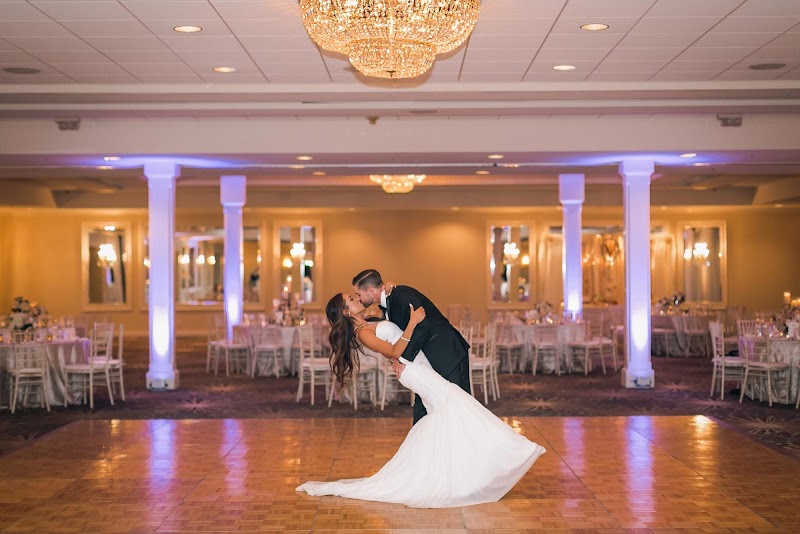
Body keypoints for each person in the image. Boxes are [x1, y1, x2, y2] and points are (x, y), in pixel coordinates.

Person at [296, 293, 545, 508]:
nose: (355, 298)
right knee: (457, 404)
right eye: (350, 300)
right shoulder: (362, 333)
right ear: (345, 312)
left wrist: (387, 296)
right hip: (414, 372)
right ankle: (507, 453)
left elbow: (383, 315)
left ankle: (460, 475)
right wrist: (413, 323)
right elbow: (393, 351)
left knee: (446, 413)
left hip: (416, 367)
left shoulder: (368, 321)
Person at [352, 269, 470, 424]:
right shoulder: (387, 303)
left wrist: (403, 360)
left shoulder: (401, 295)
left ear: (371, 291)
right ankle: (425, 445)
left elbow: (423, 327)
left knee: (458, 406)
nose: (358, 299)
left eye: (358, 294)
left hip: (447, 354)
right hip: (425, 362)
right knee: (426, 408)